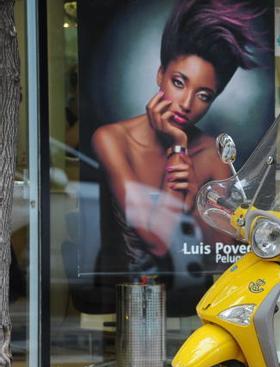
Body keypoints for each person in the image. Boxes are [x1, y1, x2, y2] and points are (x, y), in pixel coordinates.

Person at [91, 0, 266, 276]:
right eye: (179, 82)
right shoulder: (112, 139)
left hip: (191, 290)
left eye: (203, 95)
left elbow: (223, 255)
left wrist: (197, 197)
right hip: (126, 285)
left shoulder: (211, 152)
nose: (186, 103)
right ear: (160, 75)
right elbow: (157, 242)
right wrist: (177, 146)